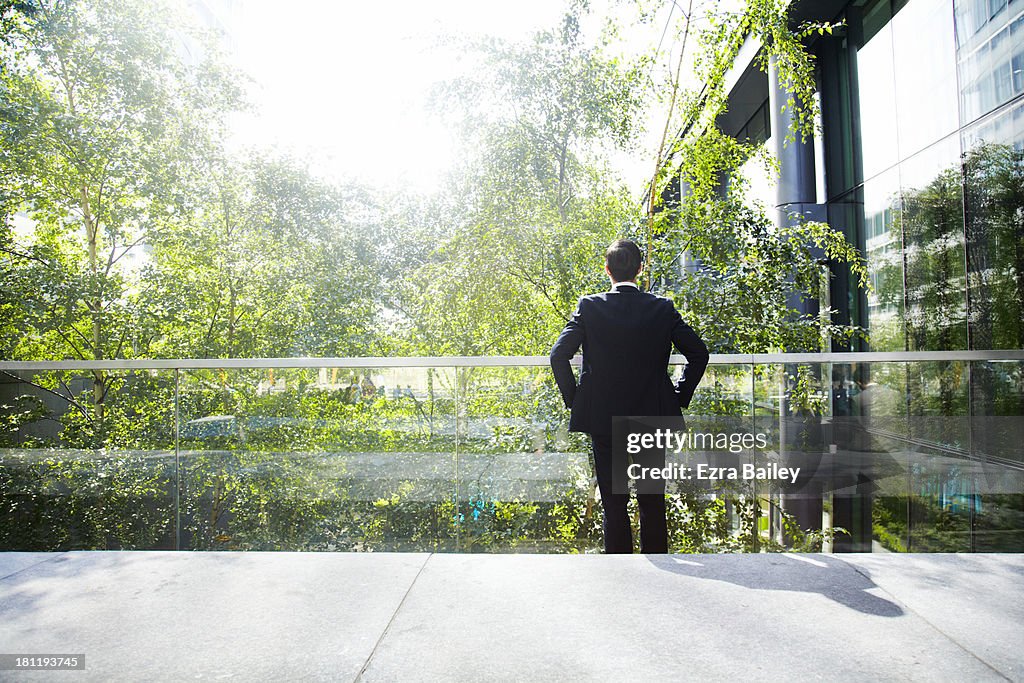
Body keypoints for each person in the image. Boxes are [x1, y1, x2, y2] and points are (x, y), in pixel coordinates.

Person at [549, 239, 708, 553]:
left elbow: (558, 356)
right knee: (652, 501)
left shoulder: (589, 306)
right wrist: (678, 395)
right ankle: (658, 570)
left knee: (614, 502)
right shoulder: (662, 308)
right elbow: (698, 354)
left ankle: (620, 572)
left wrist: (576, 399)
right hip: (651, 416)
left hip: (604, 418)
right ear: (640, 269)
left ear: (607, 270)